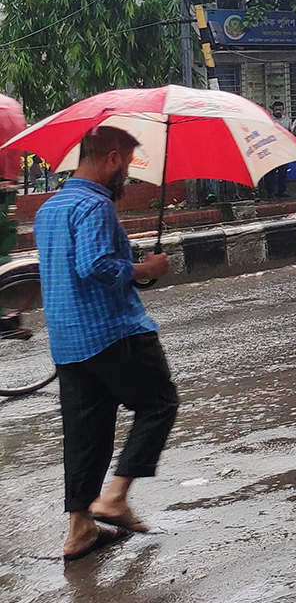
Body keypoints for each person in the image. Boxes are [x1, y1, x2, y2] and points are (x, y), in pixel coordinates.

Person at [38, 126, 177, 562]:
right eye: (130, 163)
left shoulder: (51, 206)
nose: (128, 175)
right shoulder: (95, 206)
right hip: (112, 331)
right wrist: (145, 267)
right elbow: (97, 267)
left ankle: (80, 528)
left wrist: (137, 267)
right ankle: (115, 497)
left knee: (86, 433)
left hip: (67, 339)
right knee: (159, 404)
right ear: (113, 158)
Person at [263, 100, 292, 199]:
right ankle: (270, 192)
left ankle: (282, 191)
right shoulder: (268, 120)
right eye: (276, 110)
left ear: (283, 110)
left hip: (283, 149)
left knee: (283, 171)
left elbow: (290, 131)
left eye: (280, 109)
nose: (278, 111)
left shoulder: (287, 120)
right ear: (273, 110)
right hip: (271, 148)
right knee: (270, 172)